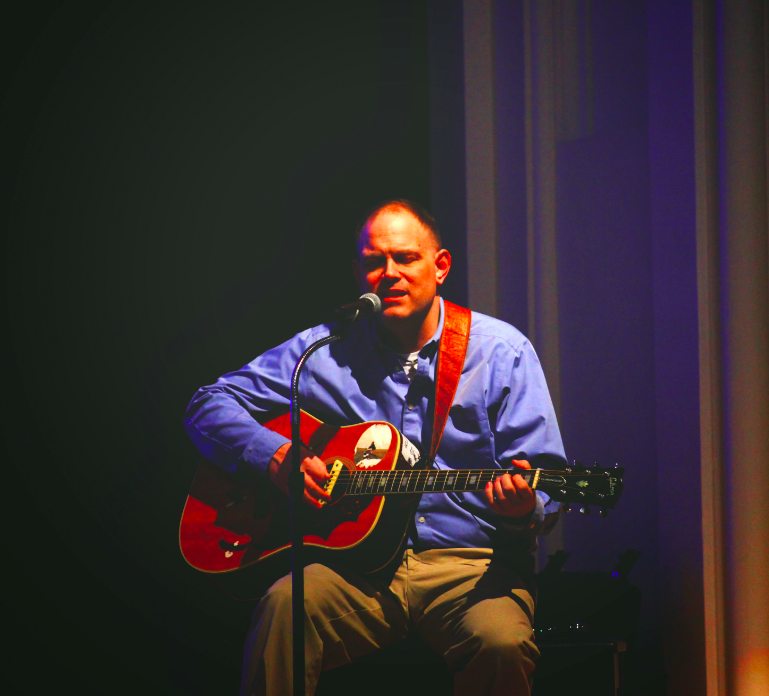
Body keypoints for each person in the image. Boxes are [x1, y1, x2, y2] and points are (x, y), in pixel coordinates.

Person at [183, 200, 566, 695]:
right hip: (357, 568)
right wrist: (271, 454)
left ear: (440, 266)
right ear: (358, 272)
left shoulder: (500, 352)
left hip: (470, 564)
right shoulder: (323, 352)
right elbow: (208, 403)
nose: (389, 274)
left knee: (500, 644)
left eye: (406, 258)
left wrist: (523, 507)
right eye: (373, 262)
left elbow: (544, 483)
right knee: (283, 608)